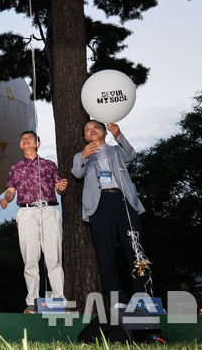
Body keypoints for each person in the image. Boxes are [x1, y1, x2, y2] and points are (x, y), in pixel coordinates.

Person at [71, 120, 149, 306]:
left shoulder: (115, 150)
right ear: (84, 137)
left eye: (95, 128)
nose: (91, 131)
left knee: (136, 250)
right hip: (99, 205)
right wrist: (84, 155)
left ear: (104, 132)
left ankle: (145, 296)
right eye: (87, 130)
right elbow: (76, 173)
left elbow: (131, 155)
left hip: (124, 201)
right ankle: (117, 300)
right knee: (105, 254)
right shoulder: (81, 155)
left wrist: (119, 135)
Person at [0, 131, 69, 313]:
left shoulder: (49, 164)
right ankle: (32, 302)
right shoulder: (15, 168)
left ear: (38, 143)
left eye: (29, 138)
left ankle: (59, 299)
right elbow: (10, 190)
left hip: (48, 210)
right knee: (30, 258)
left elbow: (59, 188)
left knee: (53, 257)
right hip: (26, 212)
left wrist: (61, 187)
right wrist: (6, 199)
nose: (25, 140)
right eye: (22, 138)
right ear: (20, 145)